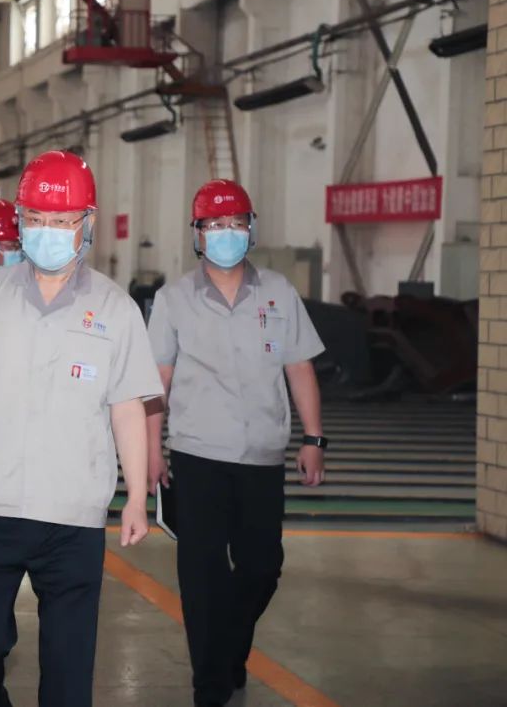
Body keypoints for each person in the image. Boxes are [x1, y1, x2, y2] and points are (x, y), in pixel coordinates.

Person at [0, 150, 163, 707]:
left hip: (72, 515)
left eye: (62, 220)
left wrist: (136, 497)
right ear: (20, 222)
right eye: (36, 219)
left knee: (70, 669)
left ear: (87, 223)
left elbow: (128, 407)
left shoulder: (116, 308)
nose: (48, 231)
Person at [145, 179, 327, 707]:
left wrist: (313, 438)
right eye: (215, 225)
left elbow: (300, 368)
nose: (227, 233)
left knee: (262, 569)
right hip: (197, 458)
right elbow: (158, 382)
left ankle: (228, 647)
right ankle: (211, 685)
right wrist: (152, 449)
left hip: (262, 459)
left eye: (236, 223)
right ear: (197, 234)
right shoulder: (174, 299)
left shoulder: (279, 293)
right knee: (201, 578)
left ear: (251, 230)